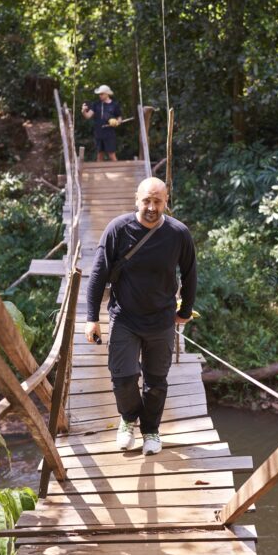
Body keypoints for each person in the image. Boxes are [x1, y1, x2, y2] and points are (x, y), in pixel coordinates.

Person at [84, 177, 197, 455]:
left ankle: (151, 430)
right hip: (125, 318)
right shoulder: (118, 230)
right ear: (137, 199)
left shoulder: (178, 233)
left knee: (156, 382)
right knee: (123, 377)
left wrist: (184, 312)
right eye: (146, 200)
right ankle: (128, 419)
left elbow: (190, 273)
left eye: (158, 201)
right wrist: (91, 317)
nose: (151, 207)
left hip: (161, 320)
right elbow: (98, 274)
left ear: (166, 202)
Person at [81, 84, 122, 161]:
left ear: (107, 94)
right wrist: (83, 111)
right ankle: (99, 173)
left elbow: (119, 117)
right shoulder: (96, 104)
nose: (100, 95)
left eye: (101, 94)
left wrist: (117, 122)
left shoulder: (114, 105)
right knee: (99, 155)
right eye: (99, 94)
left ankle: (117, 169)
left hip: (109, 133)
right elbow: (88, 116)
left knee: (111, 155)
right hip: (98, 132)